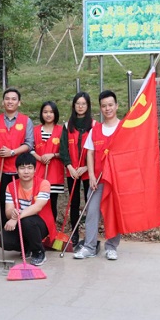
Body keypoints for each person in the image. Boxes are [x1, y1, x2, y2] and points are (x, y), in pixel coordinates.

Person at [74, 90, 121, 261]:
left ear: (116, 106)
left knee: (113, 214)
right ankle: (89, 247)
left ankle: (111, 247)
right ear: (100, 108)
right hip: (98, 180)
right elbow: (90, 153)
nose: (107, 108)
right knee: (92, 212)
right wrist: (92, 175)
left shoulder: (124, 128)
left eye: (110, 105)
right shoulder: (96, 130)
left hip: (116, 181)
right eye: (104, 106)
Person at [0, 88, 34, 228]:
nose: (10, 101)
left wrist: (12, 152)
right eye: (7, 99)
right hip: (2, 169)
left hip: (21, 169)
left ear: (19, 102)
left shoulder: (26, 121)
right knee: (3, 200)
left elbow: (29, 144)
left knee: (22, 200)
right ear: (3, 102)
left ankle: (22, 229)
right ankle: (5, 231)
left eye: (14, 99)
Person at [1, 152, 56, 266]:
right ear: (17, 170)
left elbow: (37, 207)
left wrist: (15, 218)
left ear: (35, 170)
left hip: (40, 224)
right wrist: (12, 214)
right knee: (4, 240)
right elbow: (8, 211)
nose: (26, 171)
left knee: (28, 221)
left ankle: (39, 252)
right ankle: (28, 247)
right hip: (21, 223)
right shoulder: (11, 186)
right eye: (22, 168)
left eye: (30, 168)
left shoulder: (44, 183)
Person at [59, 92, 95, 246]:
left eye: (83, 104)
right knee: (74, 203)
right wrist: (69, 166)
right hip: (72, 171)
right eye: (78, 103)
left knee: (89, 202)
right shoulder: (67, 125)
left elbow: (97, 149)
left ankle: (90, 235)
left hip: (88, 170)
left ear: (88, 106)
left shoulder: (94, 125)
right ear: (74, 105)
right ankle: (74, 233)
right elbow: (63, 148)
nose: (80, 106)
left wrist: (87, 167)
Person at [32, 101, 65, 220]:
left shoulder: (62, 130)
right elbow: (30, 148)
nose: (48, 114)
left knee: (52, 203)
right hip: (37, 171)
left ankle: (51, 228)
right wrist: (39, 158)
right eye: (45, 112)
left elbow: (66, 152)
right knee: (36, 201)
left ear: (55, 113)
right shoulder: (35, 130)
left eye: (51, 112)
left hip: (54, 172)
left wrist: (53, 155)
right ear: (41, 114)